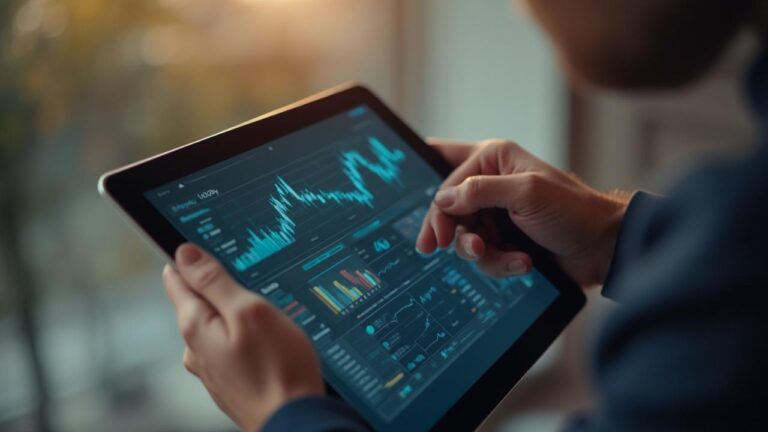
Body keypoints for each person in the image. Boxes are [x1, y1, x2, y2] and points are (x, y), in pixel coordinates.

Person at [162, 0, 768, 430]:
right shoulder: (734, 250)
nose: (520, 8)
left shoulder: (722, 288)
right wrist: (610, 236)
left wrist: (284, 411)